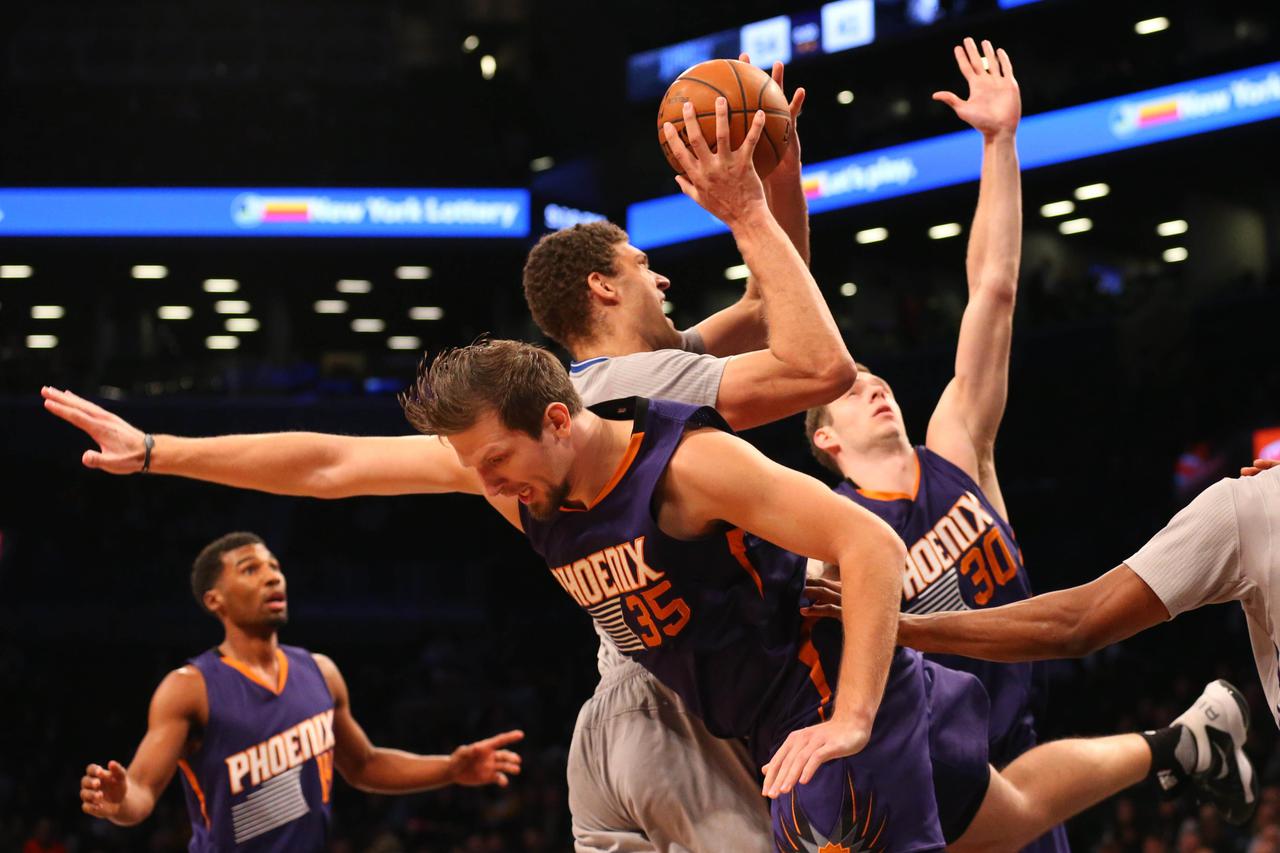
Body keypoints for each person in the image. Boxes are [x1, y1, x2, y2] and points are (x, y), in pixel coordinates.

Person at [47, 58, 848, 853]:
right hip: (685, 711)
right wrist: (762, 186)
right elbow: (807, 347)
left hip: (610, 728)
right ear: (605, 288)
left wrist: (159, 449)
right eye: (644, 268)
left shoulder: (578, 399)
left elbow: (331, 463)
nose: (664, 278)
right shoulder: (663, 385)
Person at [387, 338, 1255, 850]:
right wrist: (241, 456)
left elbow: (871, 541)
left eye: (493, 463)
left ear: (554, 421)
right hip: (860, 690)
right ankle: (1178, 740)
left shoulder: (691, 464)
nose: (486, 483)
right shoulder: (528, 491)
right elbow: (331, 465)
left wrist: (850, 718)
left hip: (829, 718)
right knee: (1008, 812)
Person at [801, 39, 1065, 850]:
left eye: (874, 377)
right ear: (824, 439)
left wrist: (999, 143)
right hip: (927, 797)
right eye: (848, 389)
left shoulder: (957, 443)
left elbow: (994, 288)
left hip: (1020, 755)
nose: (872, 386)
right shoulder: (823, 537)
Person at [79, 532, 523, 849]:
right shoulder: (188, 688)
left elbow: (363, 765)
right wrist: (116, 803)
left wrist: (450, 768)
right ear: (215, 600)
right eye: (251, 570)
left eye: (275, 567)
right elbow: (139, 791)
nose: (273, 578)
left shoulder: (320, 671)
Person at [895, 460, 1279, 769]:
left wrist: (898, 626)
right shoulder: (1251, 505)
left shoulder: (1251, 504)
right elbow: (1078, 623)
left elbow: (1077, 623)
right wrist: (900, 626)